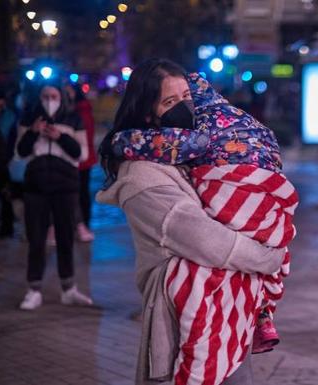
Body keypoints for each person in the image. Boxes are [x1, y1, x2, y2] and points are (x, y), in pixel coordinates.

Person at [97, 58, 286, 385]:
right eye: (170, 102)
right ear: (147, 113)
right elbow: (206, 240)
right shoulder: (141, 177)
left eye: (187, 96)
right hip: (184, 315)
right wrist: (269, 257)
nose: (184, 107)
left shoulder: (192, 156)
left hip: (227, 308)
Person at [16, 81, 93, 310]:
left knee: (66, 238)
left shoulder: (73, 119)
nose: (50, 100)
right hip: (35, 188)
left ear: (61, 97)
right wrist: (32, 132)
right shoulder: (28, 119)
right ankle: (34, 289)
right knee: (36, 239)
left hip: (65, 187)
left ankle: (69, 288)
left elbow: (81, 154)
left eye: (54, 95)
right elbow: (20, 152)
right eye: (45, 95)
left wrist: (60, 136)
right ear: (39, 98)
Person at [65, 83, 96, 242]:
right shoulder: (80, 110)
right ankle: (81, 224)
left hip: (81, 160)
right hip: (83, 158)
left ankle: (82, 224)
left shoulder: (80, 112)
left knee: (80, 193)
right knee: (81, 193)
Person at [0, 88, 18, 238]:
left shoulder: (10, 116)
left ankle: (7, 226)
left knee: (5, 194)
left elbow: (13, 138)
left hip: (4, 161)